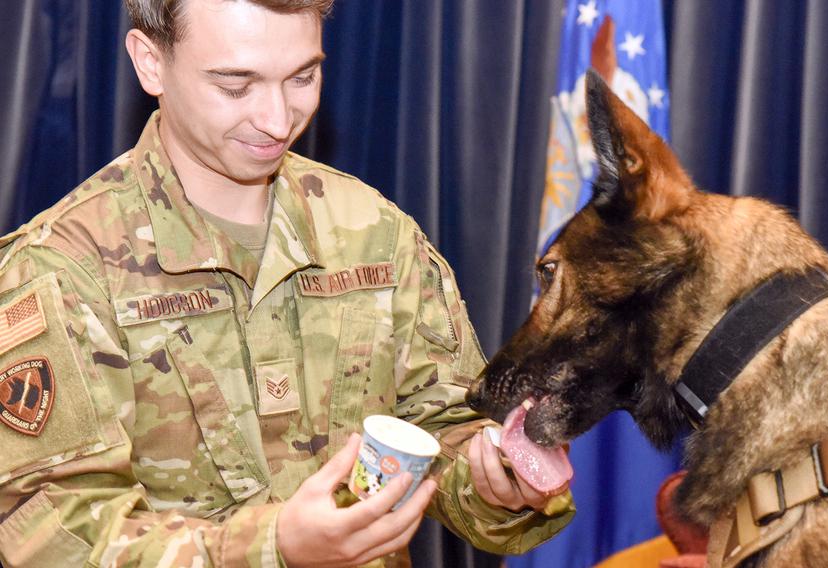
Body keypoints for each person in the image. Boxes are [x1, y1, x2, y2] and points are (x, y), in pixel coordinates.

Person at [0, 1, 574, 566]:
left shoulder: (374, 232)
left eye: (303, 76)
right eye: (235, 85)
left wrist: (495, 481)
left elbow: (443, 427)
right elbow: (50, 533)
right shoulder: (62, 267)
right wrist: (271, 549)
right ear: (150, 62)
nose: (278, 120)